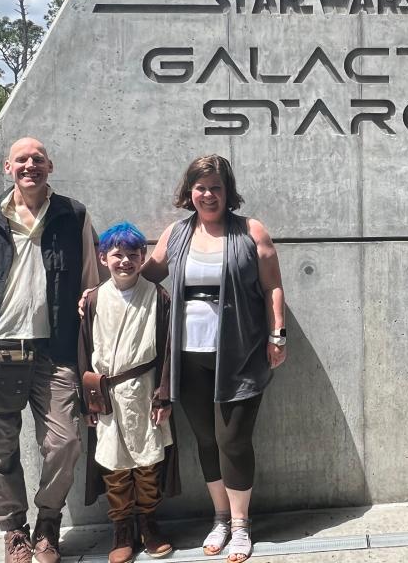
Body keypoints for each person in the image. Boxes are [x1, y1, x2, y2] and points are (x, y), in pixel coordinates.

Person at [0, 137, 99, 563]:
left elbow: (90, 287)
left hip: (56, 353)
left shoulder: (74, 215)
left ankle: (48, 523)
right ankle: (14, 531)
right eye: (22, 160)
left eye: (38, 159)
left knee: (66, 442)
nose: (30, 165)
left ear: (49, 165)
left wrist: (92, 353)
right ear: (6, 167)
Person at [141, 154, 286, 563]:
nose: (208, 194)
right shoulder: (177, 234)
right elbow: (145, 275)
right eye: (200, 187)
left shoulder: (250, 231)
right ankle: (220, 518)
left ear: (228, 192)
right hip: (188, 357)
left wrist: (278, 334)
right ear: (190, 192)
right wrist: (97, 292)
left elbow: (273, 286)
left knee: (233, 441)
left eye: (215, 187)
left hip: (239, 354)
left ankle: (241, 525)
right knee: (206, 440)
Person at [78, 222, 180, 563]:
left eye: (133, 255)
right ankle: (122, 528)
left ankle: (148, 523)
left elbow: (168, 349)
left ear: (143, 257)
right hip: (106, 394)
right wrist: (88, 400)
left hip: (145, 390)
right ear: (103, 257)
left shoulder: (157, 296)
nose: (125, 261)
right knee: (115, 465)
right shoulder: (93, 299)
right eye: (117, 255)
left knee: (148, 462)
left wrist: (164, 394)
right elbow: (83, 351)